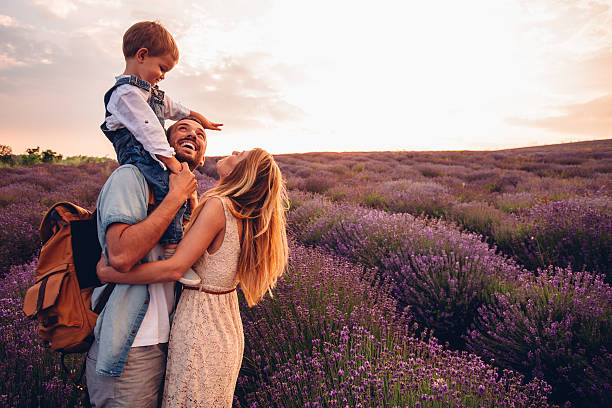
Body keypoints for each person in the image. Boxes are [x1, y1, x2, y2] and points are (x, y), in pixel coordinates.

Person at [97, 148, 289, 407]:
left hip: (202, 322)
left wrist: (111, 273)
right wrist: (194, 200)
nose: (233, 151)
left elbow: (175, 268)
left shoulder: (219, 206)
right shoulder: (243, 214)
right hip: (226, 322)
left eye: (240, 154)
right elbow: (210, 252)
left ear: (242, 171)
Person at [86, 117, 207, 408]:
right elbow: (121, 256)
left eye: (201, 134)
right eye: (183, 128)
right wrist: (175, 197)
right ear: (162, 143)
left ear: (202, 157)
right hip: (131, 347)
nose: (193, 134)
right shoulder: (131, 177)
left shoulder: (190, 197)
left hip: (172, 344)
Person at [101, 20, 221, 285]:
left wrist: (198, 116)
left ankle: (179, 246)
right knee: (169, 188)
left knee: (178, 191)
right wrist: (171, 164)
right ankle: (173, 249)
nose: (163, 75)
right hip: (138, 155)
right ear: (142, 55)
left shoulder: (148, 92)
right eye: (162, 68)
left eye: (200, 135)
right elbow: (150, 133)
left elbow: (174, 107)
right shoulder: (126, 94)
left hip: (168, 313)